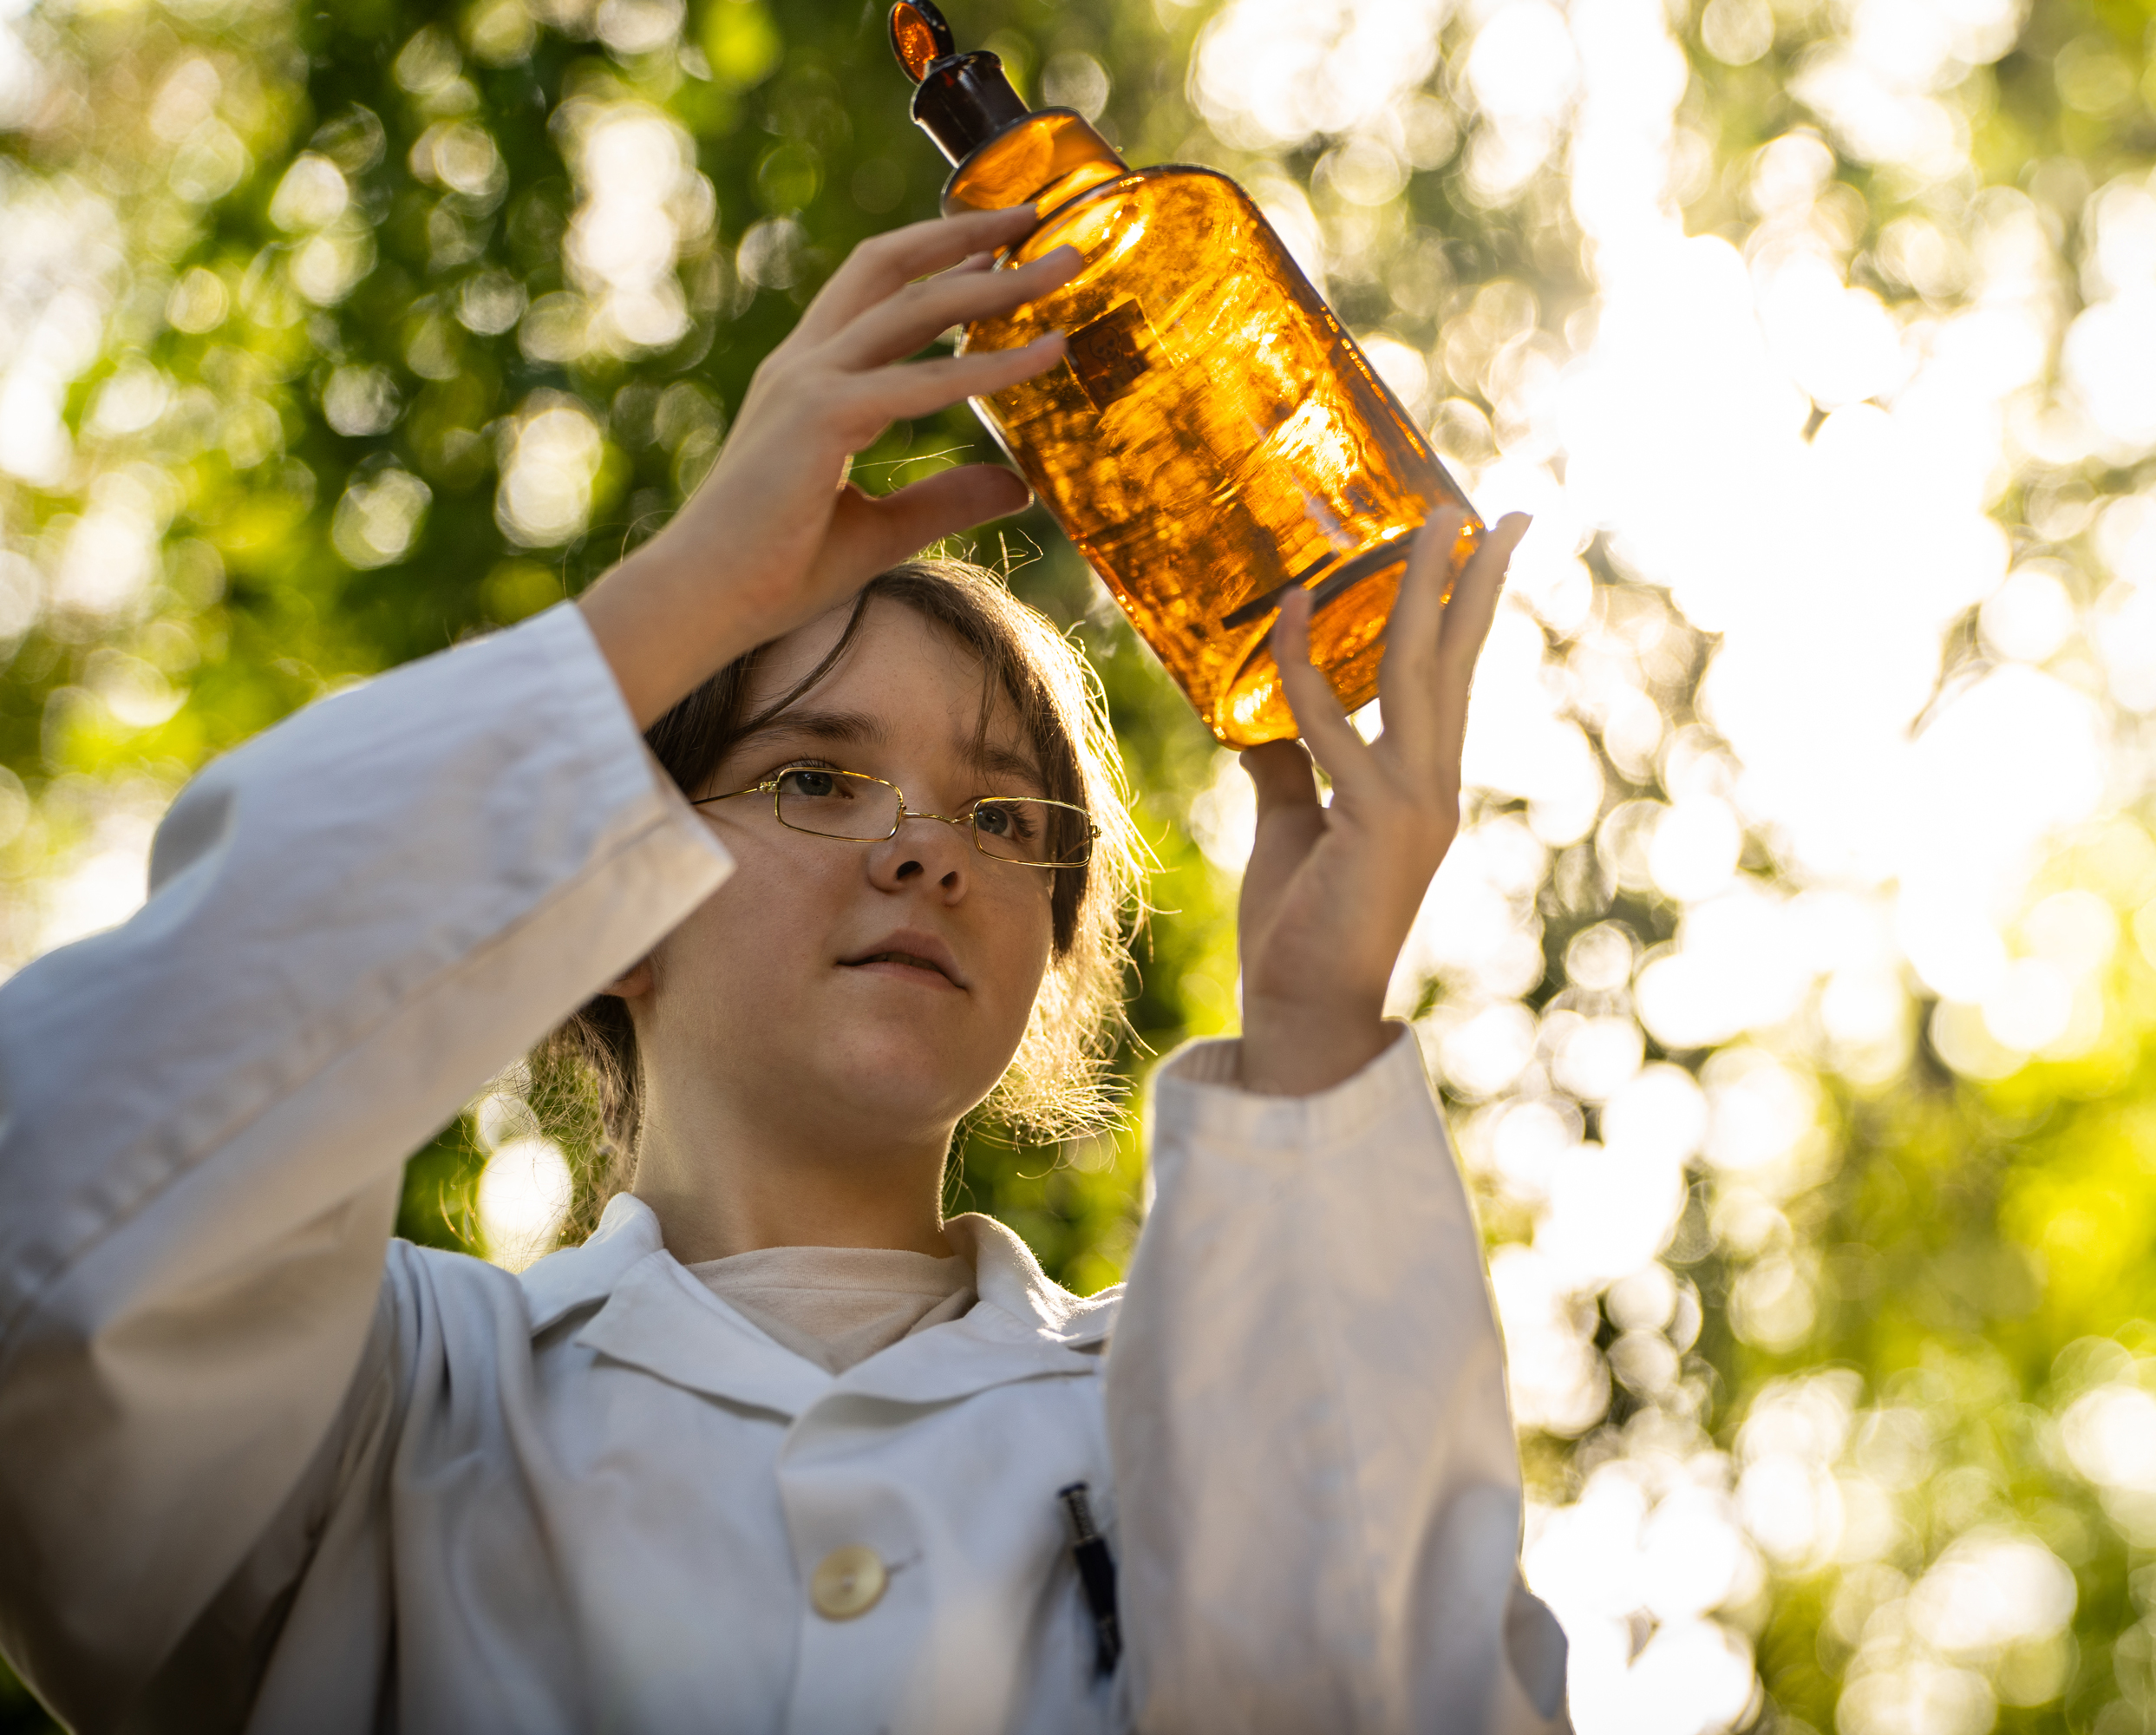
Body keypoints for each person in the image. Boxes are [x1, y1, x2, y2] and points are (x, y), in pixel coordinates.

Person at [0, 204, 1567, 1733]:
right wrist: (680, 603)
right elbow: (53, 1194)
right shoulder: (380, 1412)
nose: (928, 854)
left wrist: (1309, 1048)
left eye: (1000, 813)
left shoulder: (1200, 1411)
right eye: (818, 779)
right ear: (612, 886)